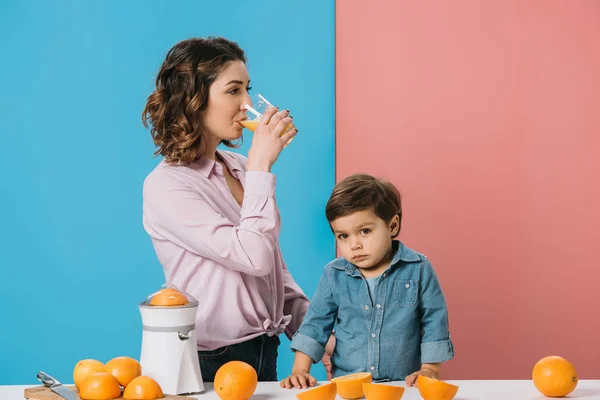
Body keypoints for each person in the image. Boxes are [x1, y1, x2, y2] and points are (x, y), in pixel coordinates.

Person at [141, 36, 320, 382]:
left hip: (265, 348)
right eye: (233, 90)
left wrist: (312, 333)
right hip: (211, 358)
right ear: (193, 98)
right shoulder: (167, 186)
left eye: (247, 89)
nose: (248, 104)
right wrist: (261, 167)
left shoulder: (239, 167)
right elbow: (251, 257)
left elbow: (273, 267)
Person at [281, 174, 454, 388]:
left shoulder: (418, 268)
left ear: (392, 225)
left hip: (404, 385)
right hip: (348, 385)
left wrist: (429, 369)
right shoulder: (334, 274)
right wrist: (300, 370)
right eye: (343, 236)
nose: (354, 245)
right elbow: (315, 324)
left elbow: (434, 321)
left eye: (365, 231)